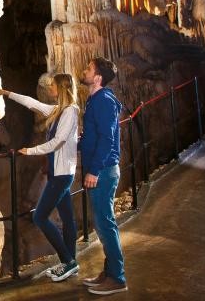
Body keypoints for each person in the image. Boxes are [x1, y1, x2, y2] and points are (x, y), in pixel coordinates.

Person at [0, 73, 80, 282]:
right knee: (68, 219)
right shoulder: (59, 111)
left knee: (40, 216)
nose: (50, 89)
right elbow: (33, 104)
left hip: (61, 174)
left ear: (62, 89)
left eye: (54, 86)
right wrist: (6, 93)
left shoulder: (70, 112)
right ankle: (70, 262)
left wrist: (29, 151)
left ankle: (68, 261)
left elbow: (57, 142)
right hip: (61, 172)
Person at [79, 57, 128, 296]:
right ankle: (108, 273)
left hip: (104, 171)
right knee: (101, 223)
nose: (84, 71)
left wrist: (94, 170)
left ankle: (117, 278)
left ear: (97, 77)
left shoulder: (104, 101)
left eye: (88, 69)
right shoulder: (95, 100)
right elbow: (93, 136)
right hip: (100, 169)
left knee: (105, 223)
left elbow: (108, 140)